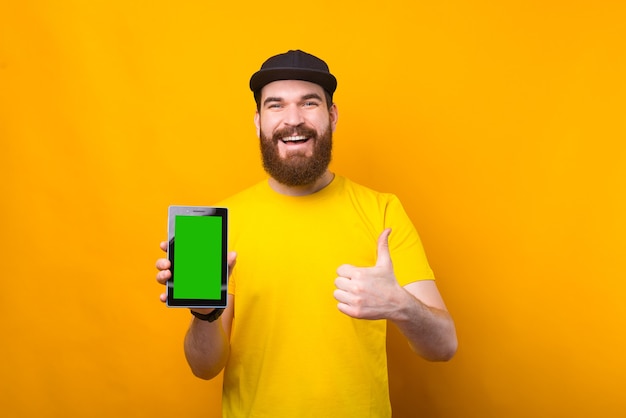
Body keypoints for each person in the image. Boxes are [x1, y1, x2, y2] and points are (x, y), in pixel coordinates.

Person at [155, 49, 457, 417]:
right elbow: (204, 368)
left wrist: (401, 305)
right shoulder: (221, 221)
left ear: (332, 116)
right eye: (276, 106)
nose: (293, 120)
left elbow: (443, 346)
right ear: (258, 121)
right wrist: (204, 315)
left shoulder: (382, 211)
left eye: (309, 103)